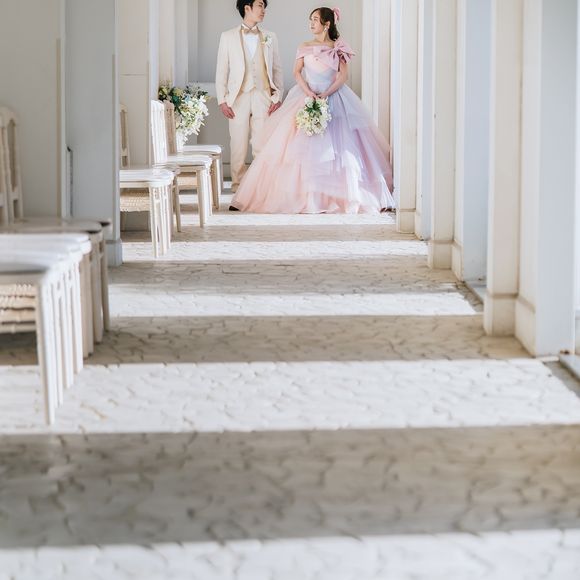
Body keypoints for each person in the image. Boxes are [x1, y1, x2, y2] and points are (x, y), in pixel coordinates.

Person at [230, 6, 395, 214]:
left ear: (327, 24)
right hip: (306, 96)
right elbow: (296, 72)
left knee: (340, 150)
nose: (311, 23)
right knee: (297, 148)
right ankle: (304, 197)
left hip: (334, 97)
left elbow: (343, 76)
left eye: (315, 20)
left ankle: (335, 198)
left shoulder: (338, 47)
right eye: (311, 19)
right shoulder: (304, 46)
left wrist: (326, 94)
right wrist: (308, 92)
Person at [215, 0, 284, 194]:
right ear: (247, 8)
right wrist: (222, 100)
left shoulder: (270, 36)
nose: (264, 10)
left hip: (263, 96)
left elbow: (277, 69)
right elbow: (222, 70)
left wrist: (278, 96)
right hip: (237, 98)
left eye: (264, 6)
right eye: (260, 5)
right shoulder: (227, 37)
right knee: (238, 145)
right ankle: (237, 187)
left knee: (261, 144)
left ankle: (261, 188)